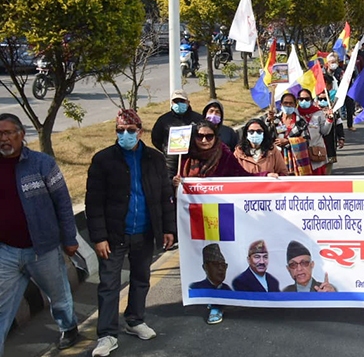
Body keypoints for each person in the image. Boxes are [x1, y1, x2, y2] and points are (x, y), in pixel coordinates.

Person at [86, 109, 176, 357]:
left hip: (144, 232)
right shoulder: (103, 160)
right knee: (109, 285)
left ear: (140, 132)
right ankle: (107, 334)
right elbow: (94, 202)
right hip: (114, 235)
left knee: (141, 279)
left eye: (130, 130)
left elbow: (164, 196)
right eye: (120, 130)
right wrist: (99, 237)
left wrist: (168, 229)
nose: (125, 135)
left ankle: (135, 320)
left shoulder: (155, 159)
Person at [0, 113, 79, 355]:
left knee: (59, 296)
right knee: (2, 306)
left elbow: (63, 202)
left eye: (8, 133)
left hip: (43, 249)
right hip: (6, 251)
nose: (3, 139)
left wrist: (70, 238)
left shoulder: (42, 163)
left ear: (21, 135)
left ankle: (68, 327)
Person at [173, 120, 250, 185]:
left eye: (209, 136)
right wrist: (175, 183)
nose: (204, 140)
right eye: (200, 136)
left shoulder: (226, 156)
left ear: (215, 137)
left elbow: (243, 177)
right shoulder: (185, 154)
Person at [150, 90, 204, 179]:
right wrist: (166, 149)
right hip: (170, 164)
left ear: (188, 102)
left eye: (182, 101)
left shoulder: (198, 119)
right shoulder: (164, 120)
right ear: (171, 103)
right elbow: (156, 139)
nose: (179, 104)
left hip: (193, 162)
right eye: (176, 101)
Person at [188, 244, 231, 324]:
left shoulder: (228, 289)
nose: (221, 268)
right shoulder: (195, 287)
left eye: (223, 265)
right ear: (205, 267)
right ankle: (215, 306)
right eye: (215, 264)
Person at [297, 88, 332, 175]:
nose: (304, 101)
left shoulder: (318, 113)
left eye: (307, 99)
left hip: (316, 152)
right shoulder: (295, 114)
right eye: (301, 99)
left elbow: (325, 132)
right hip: (300, 153)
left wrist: (329, 120)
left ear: (311, 100)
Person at [316, 86, 344, 174]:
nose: (323, 101)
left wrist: (341, 138)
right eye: (320, 99)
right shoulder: (313, 110)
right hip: (317, 140)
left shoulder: (334, 109)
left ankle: (326, 177)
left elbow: (339, 123)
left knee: (329, 160)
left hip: (330, 139)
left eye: (325, 99)